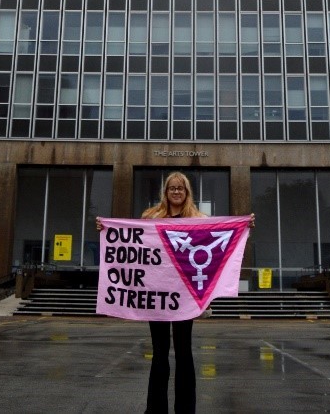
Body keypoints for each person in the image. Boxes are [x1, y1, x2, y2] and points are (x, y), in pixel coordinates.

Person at [97, 172, 255, 414]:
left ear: (187, 192)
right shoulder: (150, 217)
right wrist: (105, 229)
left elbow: (218, 242)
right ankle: (155, 409)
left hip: (184, 298)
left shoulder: (199, 219)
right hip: (156, 297)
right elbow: (133, 244)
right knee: (159, 353)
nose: (176, 192)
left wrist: (244, 226)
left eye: (181, 188)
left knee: (184, 352)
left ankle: (185, 409)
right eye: (172, 188)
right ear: (166, 192)